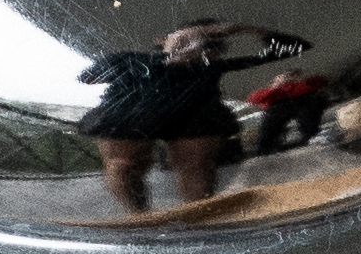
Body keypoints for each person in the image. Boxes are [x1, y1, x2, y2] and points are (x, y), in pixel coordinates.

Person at [79, 21, 282, 210]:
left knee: (196, 167)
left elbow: (294, 48)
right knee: (122, 165)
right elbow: (85, 76)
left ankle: (198, 214)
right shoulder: (131, 59)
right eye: (189, 38)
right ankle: (138, 216)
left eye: (212, 43)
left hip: (193, 118)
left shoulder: (212, 66)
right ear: (162, 39)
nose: (200, 45)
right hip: (128, 116)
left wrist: (244, 28)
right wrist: (166, 58)